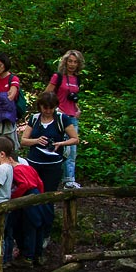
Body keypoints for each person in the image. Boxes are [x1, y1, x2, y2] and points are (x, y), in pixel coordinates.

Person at [19, 91, 80, 195]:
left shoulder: (62, 119)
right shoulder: (34, 118)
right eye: (45, 108)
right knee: (32, 193)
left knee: (49, 194)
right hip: (34, 163)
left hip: (53, 165)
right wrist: (36, 140)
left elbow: (75, 139)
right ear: (40, 106)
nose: (48, 111)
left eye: (51, 108)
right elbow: (23, 140)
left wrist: (60, 144)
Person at [4, 142, 50, 266]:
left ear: (10, 159)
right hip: (37, 197)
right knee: (38, 227)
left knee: (29, 228)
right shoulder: (29, 168)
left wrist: (14, 198)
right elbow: (40, 182)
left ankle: (28, 257)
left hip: (28, 198)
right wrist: (40, 196)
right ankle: (37, 255)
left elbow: (24, 184)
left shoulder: (17, 170)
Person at [44, 49, 84, 188]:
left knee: (72, 149)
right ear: (65, 61)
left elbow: (73, 97)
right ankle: (53, 178)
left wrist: (77, 109)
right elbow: (47, 94)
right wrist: (54, 108)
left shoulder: (76, 79)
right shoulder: (58, 77)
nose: (72, 64)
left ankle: (69, 180)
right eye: (70, 61)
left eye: (75, 62)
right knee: (59, 148)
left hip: (72, 116)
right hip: (60, 116)